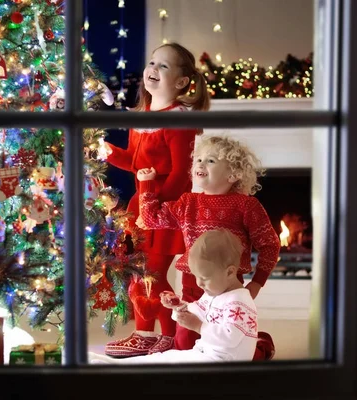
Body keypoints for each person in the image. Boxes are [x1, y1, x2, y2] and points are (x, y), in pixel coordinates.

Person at [99, 42, 210, 358]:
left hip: (165, 209)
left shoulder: (178, 120)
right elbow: (134, 162)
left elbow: (180, 174)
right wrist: (105, 150)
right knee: (140, 273)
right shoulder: (141, 117)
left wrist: (156, 209)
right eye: (151, 63)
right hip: (141, 204)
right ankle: (167, 334)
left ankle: (149, 334)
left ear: (181, 82)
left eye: (163, 65)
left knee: (150, 275)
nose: (152, 70)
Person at [136, 135, 281, 355]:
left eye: (211, 161)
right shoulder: (187, 203)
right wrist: (146, 183)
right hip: (193, 284)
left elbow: (270, 245)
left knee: (227, 345)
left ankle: (260, 345)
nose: (201, 164)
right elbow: (150, 219)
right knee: (184, 345)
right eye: (199, 160)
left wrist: (257, 282)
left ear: (234, 174)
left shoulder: (246, 206)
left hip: (229, 285)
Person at [90, 229, 258, 364]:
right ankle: (109, 364)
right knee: (163, 358)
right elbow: (195, 310)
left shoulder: (239, 302)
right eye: (196, 277)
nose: (199, 283)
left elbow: (229, 339)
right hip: (205, 355)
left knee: (169, 367)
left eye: (204, 278)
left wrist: (198, 326)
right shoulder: (214, 293)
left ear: (230, 272)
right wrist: (178, 306)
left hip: (224, 364)